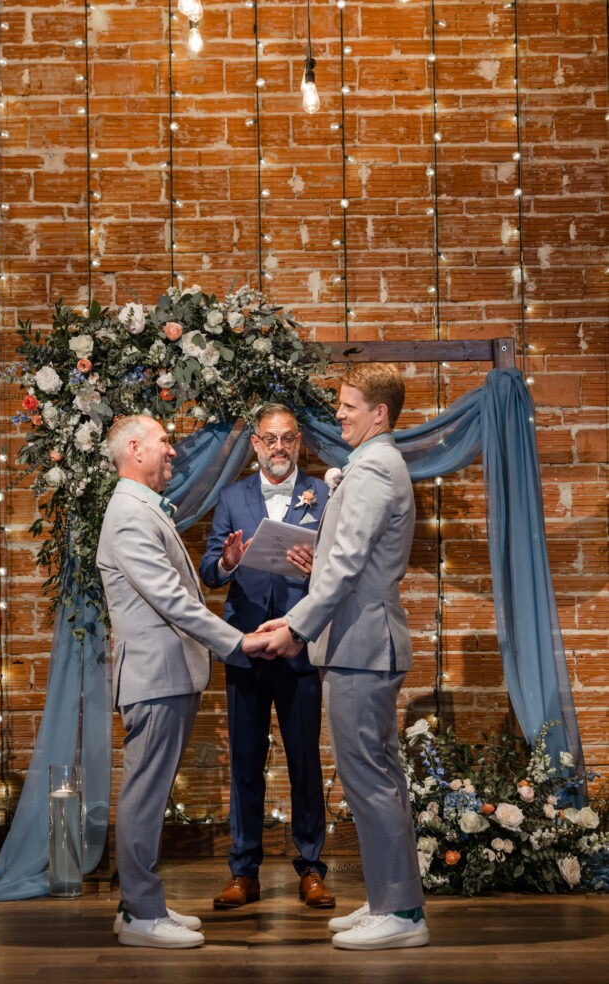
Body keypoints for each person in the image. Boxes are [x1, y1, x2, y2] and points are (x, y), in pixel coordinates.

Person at [258, 365, 429, 951]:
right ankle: (387, 898)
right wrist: (317, 569)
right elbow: (348, 558)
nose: (339, 414)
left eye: (348, 406)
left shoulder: (376, 469)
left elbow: (352, 564)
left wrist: (295, 629)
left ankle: (403, 913)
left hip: (363, 642)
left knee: (371, 779)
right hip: (358, 638)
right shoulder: (372, 465)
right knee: (372, 778)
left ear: (379, 413)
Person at [96, 414, 271, 950]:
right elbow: (171, 601)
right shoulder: (128, 513)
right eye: (164, 442)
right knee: (146, 795)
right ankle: (142, 915)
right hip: (156, 675)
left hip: (168, 673)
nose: (173, 451)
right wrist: (237, 642)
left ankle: (140, 905)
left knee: (151, 792)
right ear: (134, 449)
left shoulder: (143, 508)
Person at [199, 403, 335, 910]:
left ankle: (312, 868)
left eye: (287, 439)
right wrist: (228, 561)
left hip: (300, 647)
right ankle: (244, 871)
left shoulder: (322, 493)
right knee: (245, 763)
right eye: (269, 439)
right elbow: (210, 571)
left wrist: (314, 565)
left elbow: (340, 566)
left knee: (304, 760)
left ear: (298, 442)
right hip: (246, 648)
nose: (278, 448)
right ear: (255, 444)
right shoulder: (233, 496)